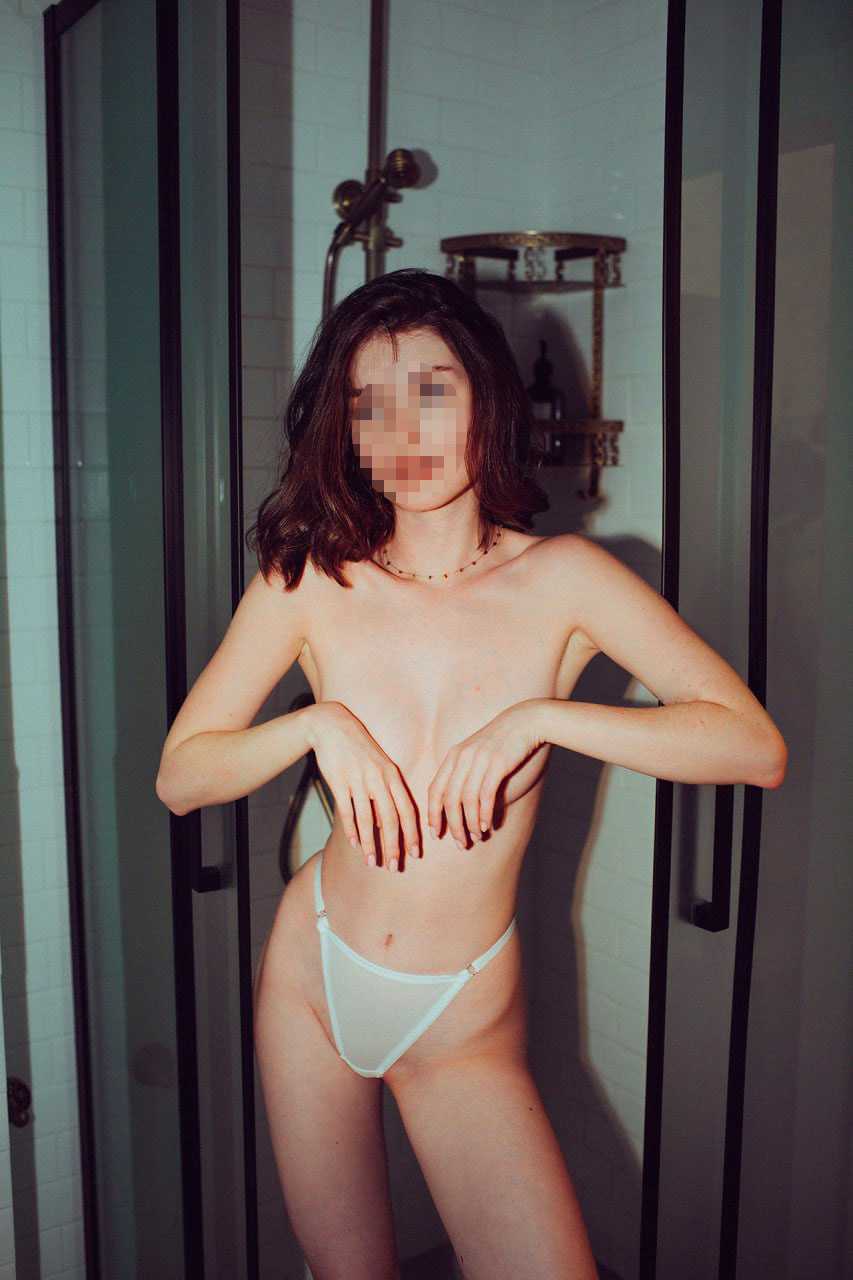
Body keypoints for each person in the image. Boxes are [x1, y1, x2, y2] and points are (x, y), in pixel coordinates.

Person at [155, 268, 788, 1280]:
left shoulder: (565, 580)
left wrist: (541, 718)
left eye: (431, 391)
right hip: (312, 976)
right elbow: (181, 777)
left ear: (486, 398)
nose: (401, 429)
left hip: (458, 1014)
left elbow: (752, 747)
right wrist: (316, 725)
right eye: (369, 402)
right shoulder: (308, 578)